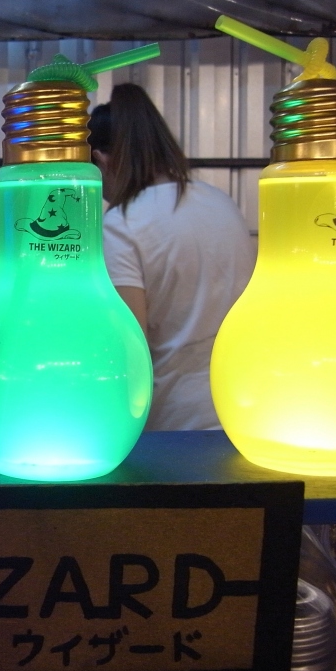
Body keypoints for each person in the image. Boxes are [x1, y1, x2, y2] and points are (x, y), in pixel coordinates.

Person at [93, 84, 256, 431]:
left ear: (101, 161)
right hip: (244, 409)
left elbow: (130, 347)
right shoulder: (222, 204)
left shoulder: (121, 224)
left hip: (176, 421)